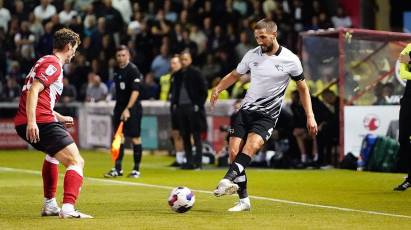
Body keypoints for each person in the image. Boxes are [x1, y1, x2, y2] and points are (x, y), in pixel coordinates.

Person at [210, 19, 318, 211]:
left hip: (267, 115)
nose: (259, 41)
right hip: (245, 111)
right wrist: (218, 88)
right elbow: (235, 75)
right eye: (256, 37)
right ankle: (244, 201)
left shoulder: (291, 60)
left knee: (252, 146)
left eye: (262, 37)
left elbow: (303, 89)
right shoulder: (252, 55)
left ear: (274, 35)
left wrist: (310, 115)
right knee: (234, 153)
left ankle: (226, 180)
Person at [14, 28, 92, 218]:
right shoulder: (53, 63)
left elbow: (40, 97)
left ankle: (50, 204)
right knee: (76, 161)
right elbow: (34, 90)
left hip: (30, 119)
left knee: (53, 155)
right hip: (38, 121)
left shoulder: (44, 61)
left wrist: (59, 117)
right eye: (74, 48)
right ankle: (68, 208)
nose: (74, 53)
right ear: (67, 46)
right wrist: (33, 121)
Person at [104, 45, 143, 179]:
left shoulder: (133, 70)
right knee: (118, 137)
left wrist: (128, 109)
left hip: (132, 108)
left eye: (123, 55)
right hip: (119, 107)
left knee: (135, 137)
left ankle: (136, 169)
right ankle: (117, 168)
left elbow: (135, 91)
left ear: (129, 56)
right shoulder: (116, 70)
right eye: (119, 56)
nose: (121, 58)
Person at [170, 51, 208, 169]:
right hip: (181, 108)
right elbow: (174, 92)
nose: (184, 62)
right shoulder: (177, 75)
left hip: (193, 108)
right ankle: (189, 162)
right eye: (182, 59)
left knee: (196, 136)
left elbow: (204, 90)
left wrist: (198, 105)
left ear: (190, 60)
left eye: (186, 59)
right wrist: (174, 105)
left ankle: (198, 163)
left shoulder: (196, 73)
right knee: (185, 135)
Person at [394, 43, 411, 191]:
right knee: (403, 137)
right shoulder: (409, 47)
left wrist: (410, 61)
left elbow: (406, 61)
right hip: (408, 99)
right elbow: (403, 72)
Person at [168, 55, 185, 167]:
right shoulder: (173, 76)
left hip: (183, 108)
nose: (172, 65)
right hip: (175, 108)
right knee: (175, 133)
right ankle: (179, 159)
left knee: (185, 134)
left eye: (175, 63)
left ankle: (187, 158)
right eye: (172, 63)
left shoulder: (184, 75)